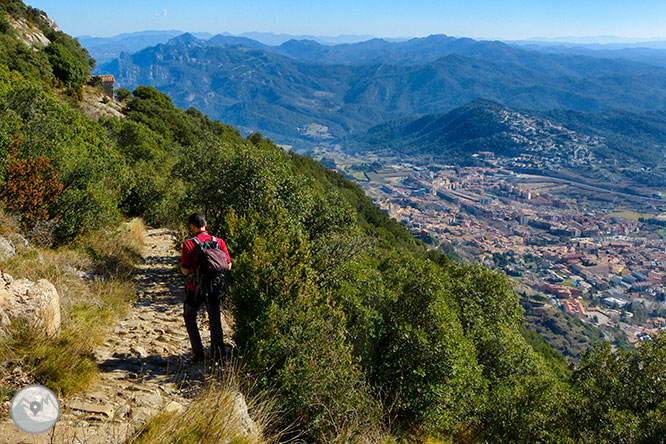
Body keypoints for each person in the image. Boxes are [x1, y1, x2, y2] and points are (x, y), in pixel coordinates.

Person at [180, 212, 232, 363]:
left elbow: (184, 269)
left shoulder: (189, 244)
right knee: (215, 319)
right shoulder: (219, 242)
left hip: (195, 288)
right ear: (206, 224)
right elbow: (228, 265)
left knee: (190, 317)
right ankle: (218, 354)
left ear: (192, 226)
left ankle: (198, 354)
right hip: (214, 287)